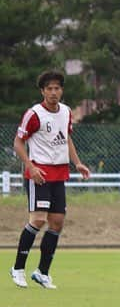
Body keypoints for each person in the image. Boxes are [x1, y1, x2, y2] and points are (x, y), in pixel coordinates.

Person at [9, 70, 90, 289]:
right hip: (39, 175)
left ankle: (42, 272)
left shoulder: (65, 112)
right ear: (43, 91)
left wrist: (78, 163)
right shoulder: (34, 114)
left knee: (57, 223)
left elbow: (66, 139)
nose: (54, 92)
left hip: (59, 174)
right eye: (49, 89)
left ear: (61, 90)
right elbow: (18, 142)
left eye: (57, 88)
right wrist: (30, 167)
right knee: (38, 220)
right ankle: (17, 268)